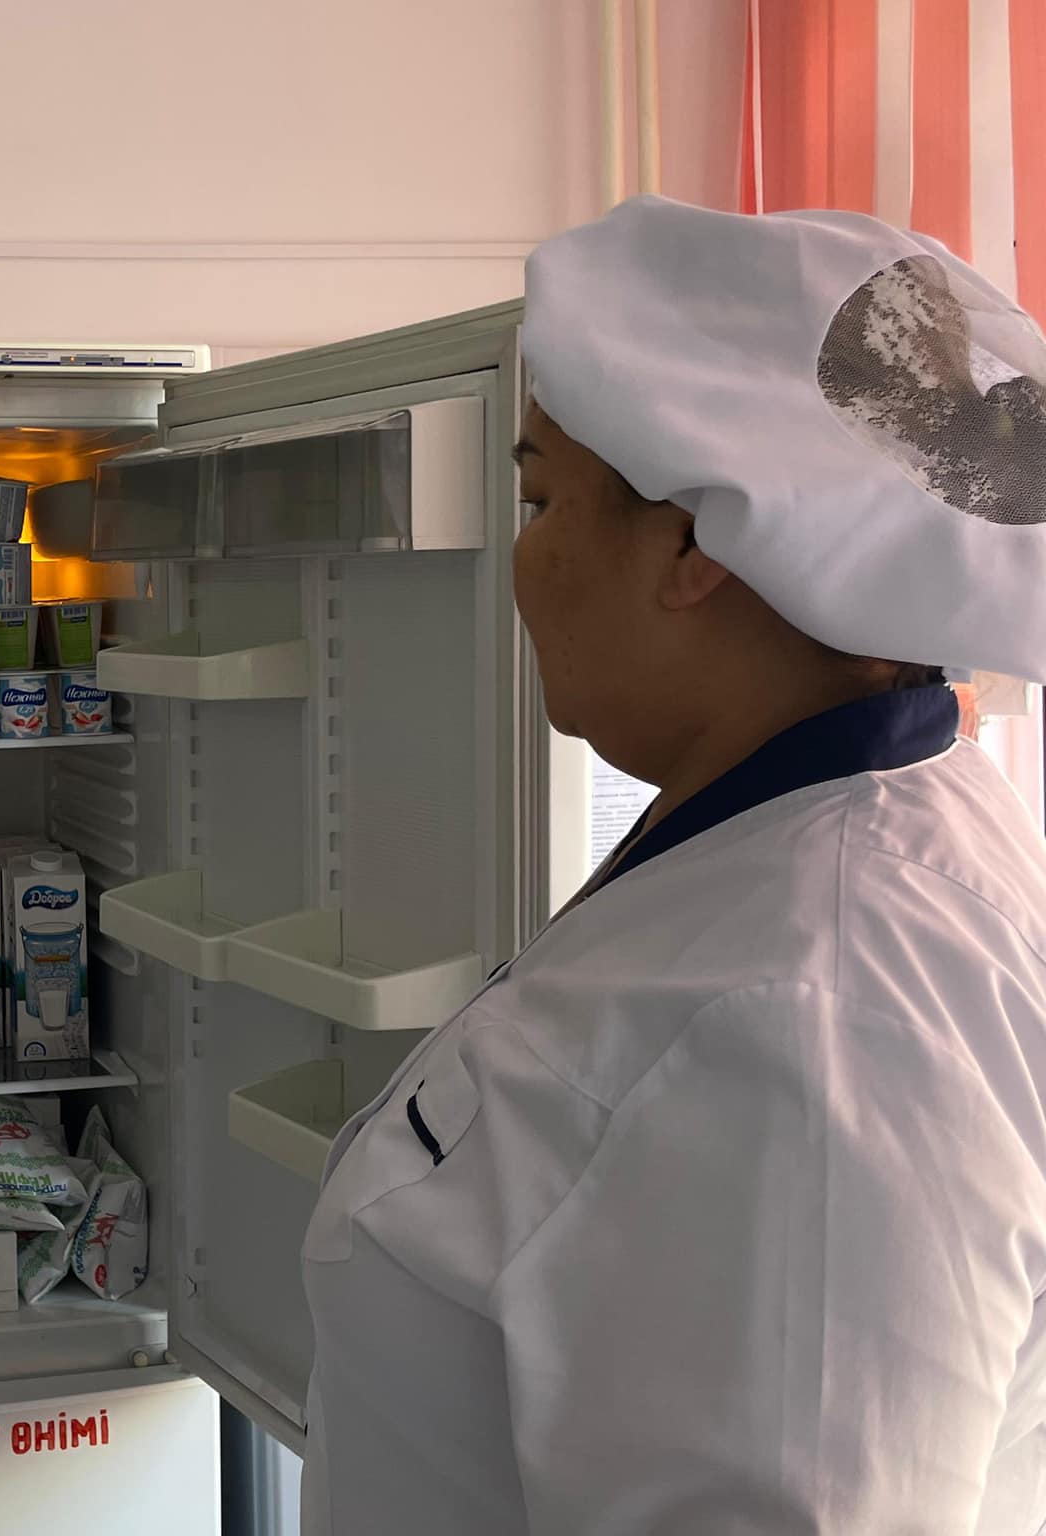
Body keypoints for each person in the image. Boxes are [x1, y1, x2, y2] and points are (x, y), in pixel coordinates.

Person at [301, 197, 1046, 1533]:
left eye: (540, 499)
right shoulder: (835, 825)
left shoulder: (816, 1025)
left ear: (696, 539)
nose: (523, 561)